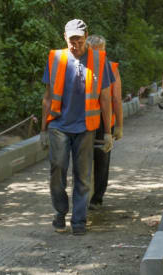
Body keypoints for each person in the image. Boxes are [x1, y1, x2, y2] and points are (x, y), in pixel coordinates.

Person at [40, 19, 115, 236]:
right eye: (72, 40)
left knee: (83, 175)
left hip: (86, 127)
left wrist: (108, 132)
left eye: (80, 41)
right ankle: (60, 212)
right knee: (58, 169)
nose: (76, 45)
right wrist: (43, 129)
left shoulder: (100, 60)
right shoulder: (55, 58)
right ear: (65, 37)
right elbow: (47, 97)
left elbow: (106, 98)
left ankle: (79, 220)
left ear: (86, 37)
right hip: (58, 125)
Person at [86, 35, 123, 210]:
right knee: (102, 158)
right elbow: (115, 99)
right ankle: (97, 198)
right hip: (103, 121)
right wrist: (119, 126)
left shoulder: (79, 65)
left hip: (83, 119)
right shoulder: (111, 67)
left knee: (83, 157)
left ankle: (82, 195)